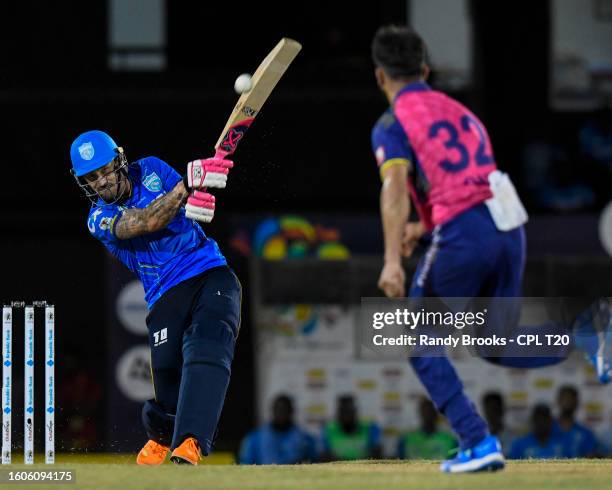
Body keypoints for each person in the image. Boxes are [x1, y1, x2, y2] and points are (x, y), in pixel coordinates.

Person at [370, 24, 612, 473]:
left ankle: (478, 442)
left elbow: (395, 187)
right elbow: (469, 181)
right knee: (493, 342)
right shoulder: (463, 113)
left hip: (466, 232)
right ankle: (588, 330)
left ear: (381, 77)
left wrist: (390, 260)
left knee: (422, 343)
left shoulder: (391, 123)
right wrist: (425, 225)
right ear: (425, 69)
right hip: (507, 225)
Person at [70, 130, 241, 465]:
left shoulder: (151, 168)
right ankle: (162, 436)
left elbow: (188, 203)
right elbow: (147, 221)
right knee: (168, 376)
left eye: (105, 170)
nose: (102, 181)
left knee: (207, 344)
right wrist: (187, 187)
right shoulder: (97, 218)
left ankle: (190, 443)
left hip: (209, 272)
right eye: (92, 178)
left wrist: (199, 191)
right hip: (164, 294)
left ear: (119, 161)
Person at [239, 394, 318, 464]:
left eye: (285, 410)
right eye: (278, 409)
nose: (281, 413)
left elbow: (314, 461)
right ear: (272, 410)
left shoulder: (304, 439)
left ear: (291, 411)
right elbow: (245, 464)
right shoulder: (255, 438)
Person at [321, 395, 382, 461]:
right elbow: (325, 454)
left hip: (364, 468)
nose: (346, 415)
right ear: (337, 413)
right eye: (342, 411)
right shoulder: (329, 429)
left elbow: (377, 453)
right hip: (337, 468)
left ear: (355, 411)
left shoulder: (370, 427)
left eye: (348, 411)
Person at [555, 385, 598, 458]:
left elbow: (591, 457)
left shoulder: (586, 434)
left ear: (577, 403)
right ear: (558, 401)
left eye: (571, 399)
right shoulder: (546, 430)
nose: (568, 402)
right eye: (565, 398)